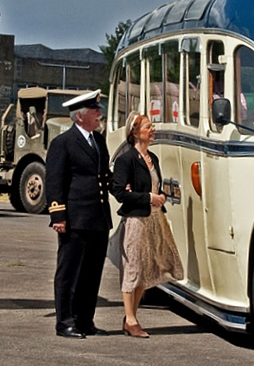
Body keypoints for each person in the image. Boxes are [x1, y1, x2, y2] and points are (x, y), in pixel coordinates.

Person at [45, 89, 112, 339]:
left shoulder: (98, 141)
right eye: (95, 110)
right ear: (81, 116)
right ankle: (65, 323)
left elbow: (103, 176)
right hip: (74, 219)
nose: (100, 114)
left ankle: (85, 320)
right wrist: (58, 216)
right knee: (68, 274)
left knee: (91, 274)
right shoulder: (63, 143)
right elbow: (54, 181)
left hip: (98, 218)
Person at [110, 114, 184, 338]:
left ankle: (131, 316)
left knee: (145, 268)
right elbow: (120, 192)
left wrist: (158, 196)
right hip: (136, 220)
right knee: (132, 268)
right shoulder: (126, 159)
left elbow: (154, 186)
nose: (153, 130)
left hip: (154, 219)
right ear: (135, 132)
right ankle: (131, 319)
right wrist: (148, 197)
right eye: (148, 127)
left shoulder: (153, 158)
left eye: (152, 127)